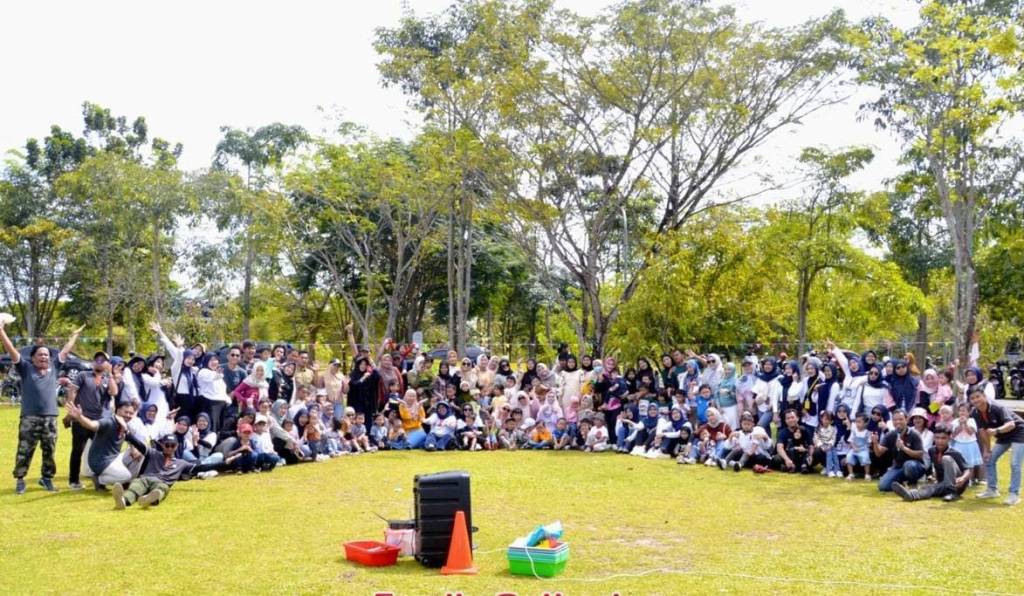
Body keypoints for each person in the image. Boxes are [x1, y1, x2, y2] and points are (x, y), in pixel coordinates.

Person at [2, 320, 84, 494]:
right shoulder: (25, 368)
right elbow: (11, 350)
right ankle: (20, 479)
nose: (44, 357)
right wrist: (1, 331)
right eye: (40, 355)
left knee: (50, 450)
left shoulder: (54, 368)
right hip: (29, 418)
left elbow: (65, 351)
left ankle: (46, 479)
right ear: (33, 358)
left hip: (50, 418)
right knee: (25, 450)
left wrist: (75, 335)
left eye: (46, 355)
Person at [112, 434, 221, 509]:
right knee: (136, 486)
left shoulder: (181, 463)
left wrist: (226, 465)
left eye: (172, 445)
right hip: (146, 478)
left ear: (176, 446)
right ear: (163, 445)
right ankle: (123, 501)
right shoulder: (153, 453)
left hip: (162, 482)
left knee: (162, 489)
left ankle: (148, 500)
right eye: (167, 445)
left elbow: (202, 467)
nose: (169, 448)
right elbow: (139, 444)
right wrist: (128, 435)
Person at [64, 352, 118, 490]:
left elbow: (114, 392)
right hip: (81, 419)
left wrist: (110, 374)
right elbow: (73, 390)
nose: (99, 362)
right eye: (97, 359)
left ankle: (99, 480)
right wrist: (71, 410)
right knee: (77, 450)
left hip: (98, 422)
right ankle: (73, 481)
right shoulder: (83, 375)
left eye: (103, 360)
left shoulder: (108, 379)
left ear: (107, 363)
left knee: (100, 451)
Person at [65, 397, 140, 489]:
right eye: (126, 412)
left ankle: (123, 482)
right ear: (118, 410)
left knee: (139, 455)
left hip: (113, 458)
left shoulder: (125, 425)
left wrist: (133, 449)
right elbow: (92, 425)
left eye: (131, 413)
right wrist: (80, 417)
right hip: (99, 462)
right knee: (126, 476)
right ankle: (99, 480)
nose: (128, 415)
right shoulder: (109, 422)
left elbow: (130, 439)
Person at [970, 389, 1024, 505]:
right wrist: (987, 450)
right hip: (1003, 436)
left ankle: (1014, 495)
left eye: (977, 396)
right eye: (972, 398)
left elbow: (1011, 424)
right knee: (989, 459)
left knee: (1015, 463)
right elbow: (983, 432)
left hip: (1019, 432)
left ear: (984, 396)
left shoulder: (997, 407)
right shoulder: (975, 412)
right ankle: (992, 490)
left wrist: (996, 430)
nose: (975, 400)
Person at [891, 426, 972, 503]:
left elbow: (968, 470)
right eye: (937, 438)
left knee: (946, 458)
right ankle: (911, 495)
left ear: (949, 438)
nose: (940, 441)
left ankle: (952, 493)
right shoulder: (931, 450)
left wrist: (963, 478)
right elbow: (934, 466)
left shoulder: (955, 453)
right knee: (929, 488)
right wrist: (932, 477)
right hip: (943, 483)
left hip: (956, 484)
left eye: (943, 438)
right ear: (934, 438)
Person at [873, 409, 926, 492]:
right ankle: (901, 483)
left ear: (907, 420)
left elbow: (920, 454)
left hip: (915, 465)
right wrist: (875, 443)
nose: (898, 422)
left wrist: (904, 448)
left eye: (901, 419)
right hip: (898, 466)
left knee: (908, 465)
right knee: (883, 486)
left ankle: (913, 484)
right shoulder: (890, 434)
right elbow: (878, 453)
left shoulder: (914, 434)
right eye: (895, 420)